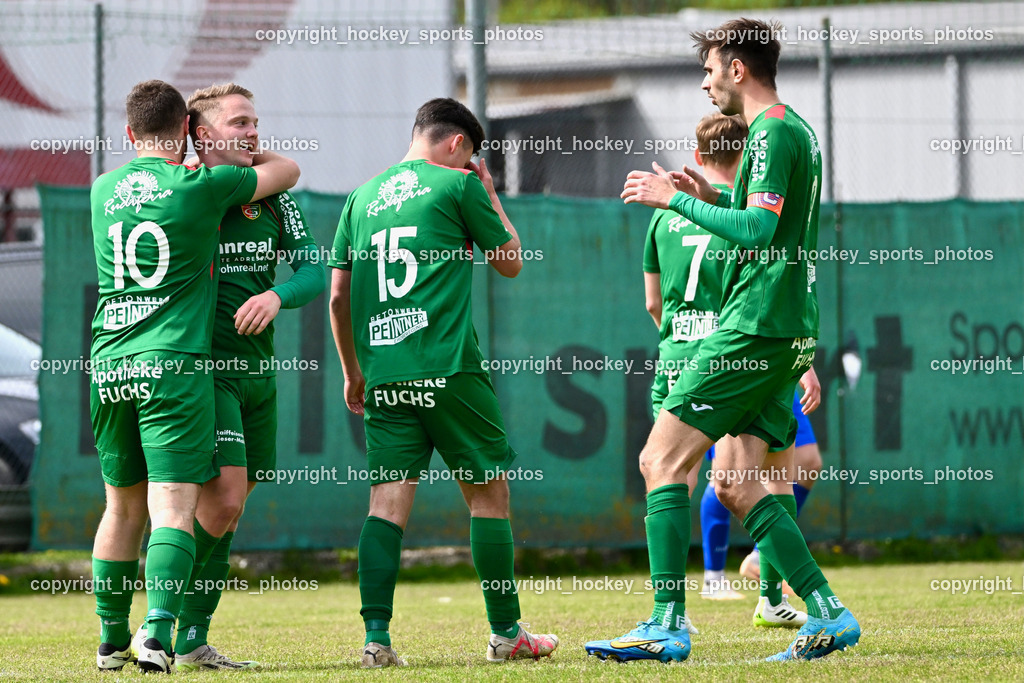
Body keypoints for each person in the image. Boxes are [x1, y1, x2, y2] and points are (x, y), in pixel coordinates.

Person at [586, 18, 860, 662]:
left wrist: (672, 201)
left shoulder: (767, 131)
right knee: (737, 480)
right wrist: (714, 191)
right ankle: (826, 612)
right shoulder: (796, 130)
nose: (706, 82)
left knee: (661, 461)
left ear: (738, 68)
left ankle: (665, 624)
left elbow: (761, 234)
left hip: (753, 326)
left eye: (710, 68)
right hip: (786, 328)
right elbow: (772, 216)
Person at [328, 97, 558, 667]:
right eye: (470, 157)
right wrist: (491, 194)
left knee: (385, 506)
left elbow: (337, 296)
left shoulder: (360, 198)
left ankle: (375, 641)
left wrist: (353, 372)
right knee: (489, 497)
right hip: (450, 369)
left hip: (384, 376)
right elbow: (510, 261)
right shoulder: (459, 187)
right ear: (457, 144)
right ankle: (507, 635)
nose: (470, 167)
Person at [90, 80, 299, 673]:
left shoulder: (102, 190)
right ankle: (157, 635)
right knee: (174, 506)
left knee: (119, 508)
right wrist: (241, 157)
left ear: (129, 134)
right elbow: (287, 171)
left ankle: (109, 641)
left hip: (107, 360)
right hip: (172, 363)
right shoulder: (200, 185)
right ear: (187, 129)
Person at [148, 83, 322, 670]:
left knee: (229, 509)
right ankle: (163, 625)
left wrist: (276, 295)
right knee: (218, 501)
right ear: (201, 133)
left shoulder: (271, 195)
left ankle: (192, 639)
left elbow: (313, 271)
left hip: (258, 372)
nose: (253, 132)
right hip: (204, 369)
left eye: (256, 122)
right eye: (239, 123)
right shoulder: (192, 190)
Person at [642, 113, 747, 604]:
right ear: (747, 156)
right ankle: (781, 591)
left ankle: (672, 607)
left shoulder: (664, 213)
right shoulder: (748, 213)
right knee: (751, 479)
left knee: (669, 474)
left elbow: (653, 303)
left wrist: (679, 334)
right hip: (732, 360)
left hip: (675, 356)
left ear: (699, 158)